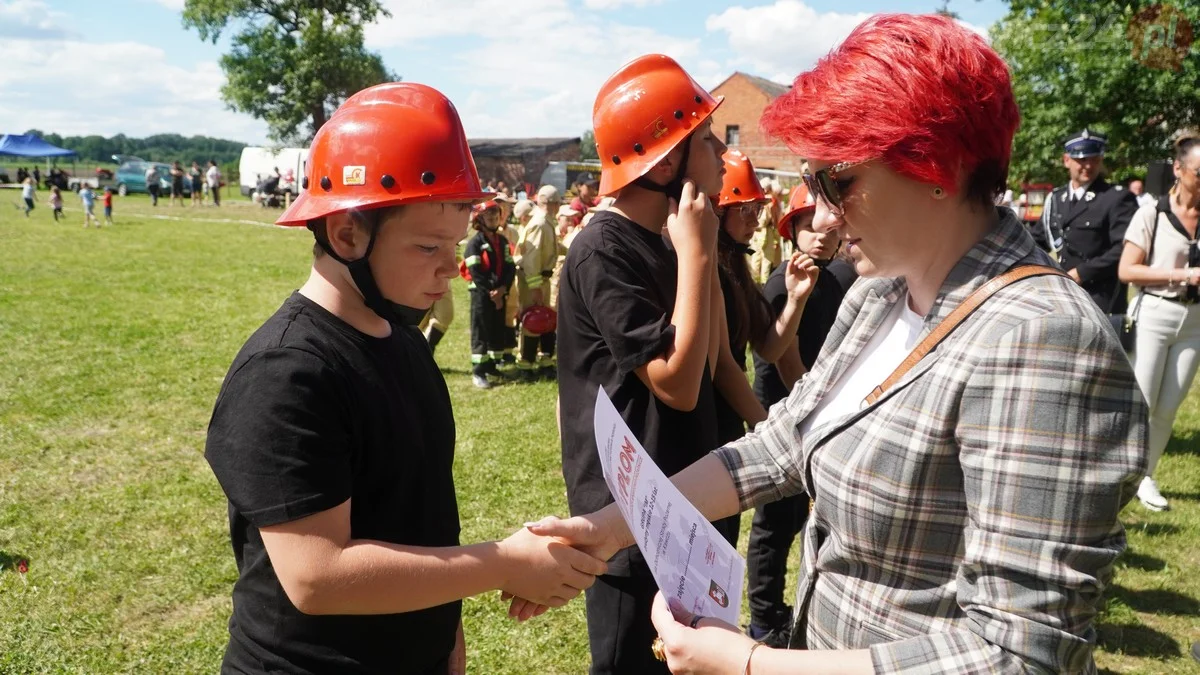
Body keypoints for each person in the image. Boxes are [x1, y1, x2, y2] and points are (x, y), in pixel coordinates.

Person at [527, 16, 1146, 674]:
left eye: (838, 183)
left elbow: (1022, 654)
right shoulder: (882, 292)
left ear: (935, 165)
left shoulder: (1042, 338)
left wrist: (750, 664)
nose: (819, 215)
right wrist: (615, 527)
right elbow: (786, 440)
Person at [203, 82, 606, 675]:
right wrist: (503, 563)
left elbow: (418, 516)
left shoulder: (403, 342)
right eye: (427, 246)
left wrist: (445, 635)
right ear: (346, 234)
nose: (452, 266)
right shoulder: (287, 373)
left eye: (456, 243)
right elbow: (318, 577)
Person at [551, 53, 728, 675]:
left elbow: (712, 367)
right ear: (666, 160)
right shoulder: (603, 250)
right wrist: (699, 258)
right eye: (706, 141)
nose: (723, 157)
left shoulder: (665, 241)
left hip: (687, 508)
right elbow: (678, 385)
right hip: (632, 529)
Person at [745, 183, 858, 646]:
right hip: (785, 410)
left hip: (821, 408)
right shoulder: (783, 282)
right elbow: (784, 356)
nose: (820, 237)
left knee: (798, 520)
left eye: (826, 228)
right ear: (791, 229)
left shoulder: (838, 278)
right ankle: (765, 618)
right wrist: (817, 413)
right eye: (808, 226)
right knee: (774, 523)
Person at [1118, 134, 1200, 512]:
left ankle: (1146, 476)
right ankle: (1123, 474)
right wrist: (1181, 274)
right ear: (1178, 170)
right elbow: (1127, 269)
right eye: (1199, 173)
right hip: (1155, 312)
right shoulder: (1152, 212)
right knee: (1144, 400)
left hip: (1195, 320)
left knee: (1170, 404)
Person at [1034, 129, 1139, 315]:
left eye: (1094, 160)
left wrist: (1081, 273)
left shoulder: (1116, 198)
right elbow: (1038, 240)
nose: (1088, 166)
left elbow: (1123, 249)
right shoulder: (1056, 199)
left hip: (1101, 296)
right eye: (1081, 160)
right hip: (1063, 294)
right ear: (1067, 160)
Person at [464, 199, 517, 389]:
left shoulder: (502, 241)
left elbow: (510, 266)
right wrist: (491, 292)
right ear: (480, 219)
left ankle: (493, 366)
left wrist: (503, 289)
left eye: (496, 216)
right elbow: (476, 272)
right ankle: (478, 371)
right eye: (489, 216)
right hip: (481, 295)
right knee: (481, 331)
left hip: (500, 294)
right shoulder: (474, 244)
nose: (494, 219)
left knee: (496, 330)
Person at [516, 185, 563, 376]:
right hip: (533, 278)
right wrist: (535, 286)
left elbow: (550, 248)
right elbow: (532, 257)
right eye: (557, 203)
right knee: (532, 318)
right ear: (550, 203)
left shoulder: (545, 222)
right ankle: (525, 364)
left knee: (543, 318)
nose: (559, 206)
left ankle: (544, 361)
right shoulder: (540, 223)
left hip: (541, 278)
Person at [749, 178, 784, 284]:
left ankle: (757, 281)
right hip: (765, 233)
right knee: (765, 259)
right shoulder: (769, 202)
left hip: (762, 233)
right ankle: (761, 283)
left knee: (758, 258)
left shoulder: (766, 201)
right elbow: (765, 220)